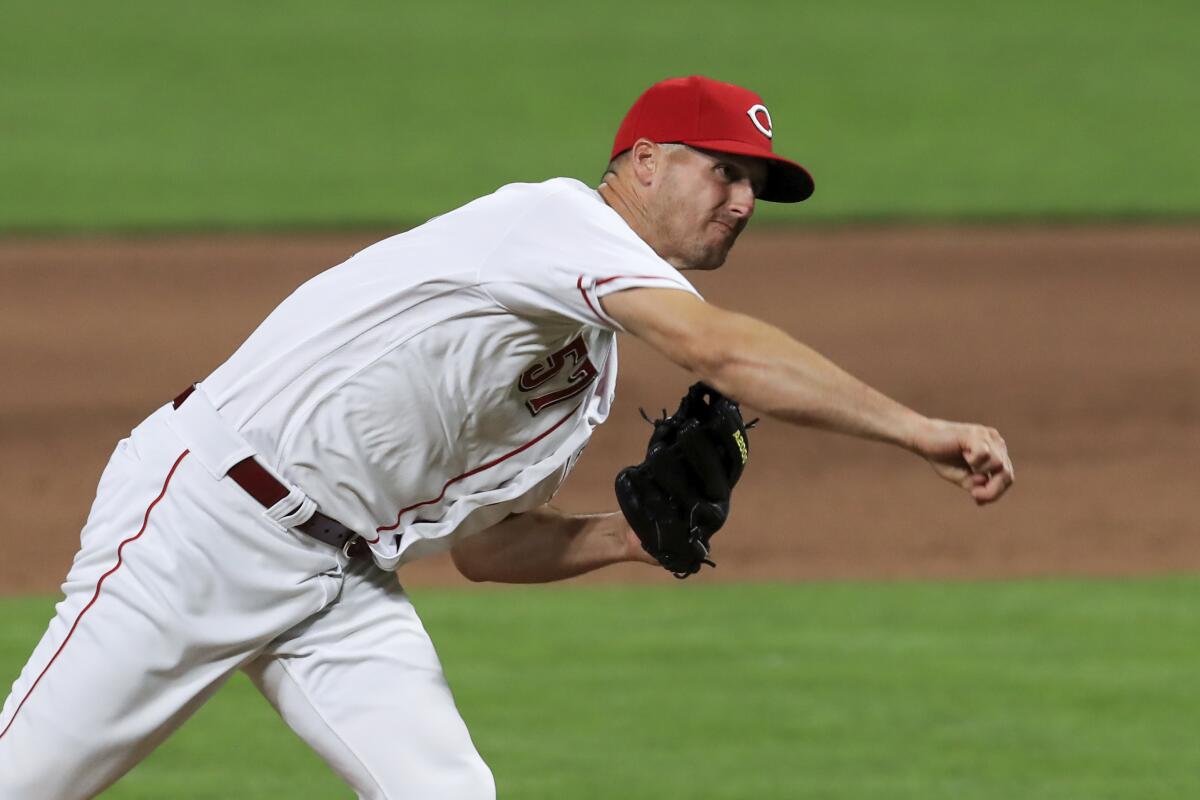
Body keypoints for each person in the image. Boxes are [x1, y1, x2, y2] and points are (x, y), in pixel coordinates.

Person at [0, 75, 1013, 799]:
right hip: (207, 521)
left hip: (338, 581)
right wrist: (916, 429)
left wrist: (629, 532)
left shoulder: (582, 376)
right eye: (726, 172)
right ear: (646, 164)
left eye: (759, 188)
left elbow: (483, 548)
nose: (744, 202)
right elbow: (724, 352)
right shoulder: (553, 224)